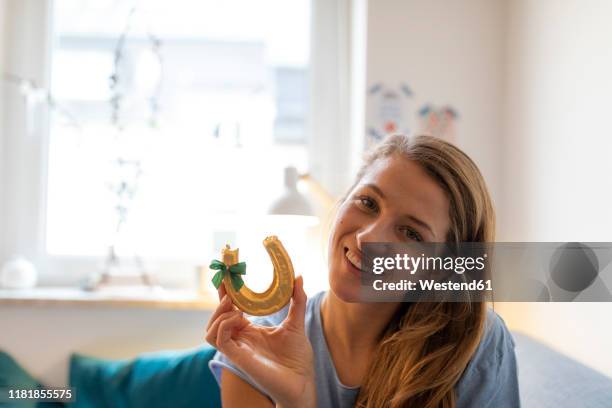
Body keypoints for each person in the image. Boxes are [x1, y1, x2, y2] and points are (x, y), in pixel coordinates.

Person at [206, 135, 520, 408]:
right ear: (343, 200)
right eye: (368, 203)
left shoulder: (473, 345)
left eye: (411, 233)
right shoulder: (257, 346)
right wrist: (295, 401)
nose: (368, 238)